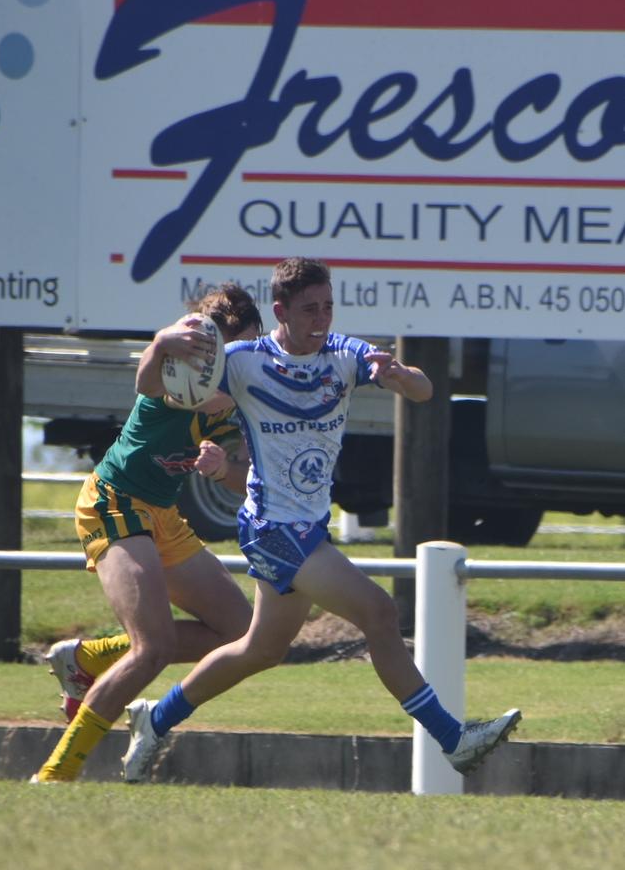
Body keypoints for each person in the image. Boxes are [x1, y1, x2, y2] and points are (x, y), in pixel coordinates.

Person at [121, 257, 521, 783]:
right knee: (378, 614)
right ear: (281, 311)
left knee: (259, 650)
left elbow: (424, 391)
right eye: (310, 309)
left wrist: (400, 375)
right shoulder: (241, 361)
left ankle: (156, 719)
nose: (322, 318)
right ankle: (453, 739)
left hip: (309, 526)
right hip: (272, 528)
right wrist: (160, 347)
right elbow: (156, 390)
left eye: (328, 306)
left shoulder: (345, 354)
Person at [31, 283, 263, 782]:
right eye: (230, 351)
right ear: (205, 350)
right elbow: (145, 384)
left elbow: (247, 480)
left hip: (161, 514)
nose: (239, 360)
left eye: (249, 348)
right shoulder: (179, 374)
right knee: (152, 648)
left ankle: (87, 658)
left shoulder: (243, 397)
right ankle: (55, 775)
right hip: (113, 502)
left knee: (240, 630)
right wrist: (159, 345)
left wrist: (224, 470)